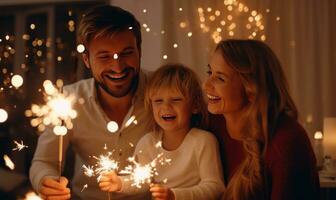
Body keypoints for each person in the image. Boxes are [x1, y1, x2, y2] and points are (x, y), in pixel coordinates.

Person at [29, 5, 152, 200]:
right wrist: (45, 180)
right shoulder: (68, 100)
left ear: (139, 50)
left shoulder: (163, 92)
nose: (117, 66)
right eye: (104, 56)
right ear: (86, 59)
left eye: (127, 53)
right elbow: (44, 161)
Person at [204, 39, 320, 200]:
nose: (206, 85)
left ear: (251, 87)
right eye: (210, 73)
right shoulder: (209, 123)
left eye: (220, 78)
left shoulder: (286, 140)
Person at [98, 64, 225, 200]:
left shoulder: (203, 141)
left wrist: (175, 196)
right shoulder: (147, 143)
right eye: (158, 101)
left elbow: (215, 187)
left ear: (195, 105)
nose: (166, 107)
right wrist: (120, 183)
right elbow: (142, 181)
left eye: (176, 100)